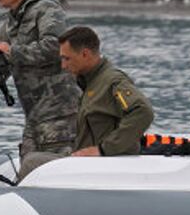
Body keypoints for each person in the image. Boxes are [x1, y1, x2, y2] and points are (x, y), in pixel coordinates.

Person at [18, 26, 154, 180]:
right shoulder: (90, 82)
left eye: (66, 58)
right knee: (34, 154)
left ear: (85, 54)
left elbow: (143, 111)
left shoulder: (112, 81)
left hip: (103, 165)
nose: (63, 65)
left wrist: (103, 149)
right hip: (86, 162)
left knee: (31, 162)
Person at [0, 0, 80, 160]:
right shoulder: (6, 27)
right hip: (34, 118)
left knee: (57, 174)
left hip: (60, 115)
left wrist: (13, 52)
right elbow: (0, 69)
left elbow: (56, 47)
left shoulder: (46, 9)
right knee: (28, 172)